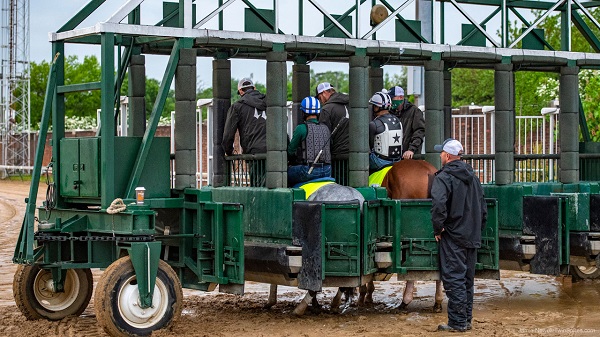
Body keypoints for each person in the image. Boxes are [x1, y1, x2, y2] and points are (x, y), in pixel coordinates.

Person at [431, 138, 487, 332]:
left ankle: (457, 323)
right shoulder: (473, 177)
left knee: (454, 279)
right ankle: (467, 319)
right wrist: (477, 228)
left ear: (447, 156)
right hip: (471, 236)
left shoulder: (443, 177)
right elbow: (483, 207)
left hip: (453, 236)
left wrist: (438, 229)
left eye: (441, 153)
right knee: (466, 280)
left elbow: (438, 205)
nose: (440, 156)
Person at [287, 96, 332, 187]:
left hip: (310, 171)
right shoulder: (326, 128)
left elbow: (290, 151)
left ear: (303, 113)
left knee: (285, 173)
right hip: (327, 170)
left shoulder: (301, 128)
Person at [222, 77, 267, 156]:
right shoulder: (271, 103)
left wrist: (229, 151)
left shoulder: (237, 107)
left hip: (253, 154)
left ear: (240, 91)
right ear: (254, 88)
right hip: (274, 152)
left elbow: (228, 135)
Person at [368, 91, 402, 172]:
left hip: (380, 161)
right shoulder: (397, 120)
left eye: (373, 106)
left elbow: (370, 145)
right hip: (398, 160)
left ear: (376, 107)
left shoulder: (374, 124)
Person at [388, 86, 425, 159]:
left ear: (401, 97)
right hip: (394, 156)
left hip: (410, 157)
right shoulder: (390, 112)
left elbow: (419, 131)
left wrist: (411, 149)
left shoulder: (414, 111)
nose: (390, 101)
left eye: (392, 98)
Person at [316, 82, 349, 158]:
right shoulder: (353, 104)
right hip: (358, 154)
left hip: (339, 155)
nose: (320, 101)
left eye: (319, 97)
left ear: (324, 93)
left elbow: (324, 136)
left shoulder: (326, 109)